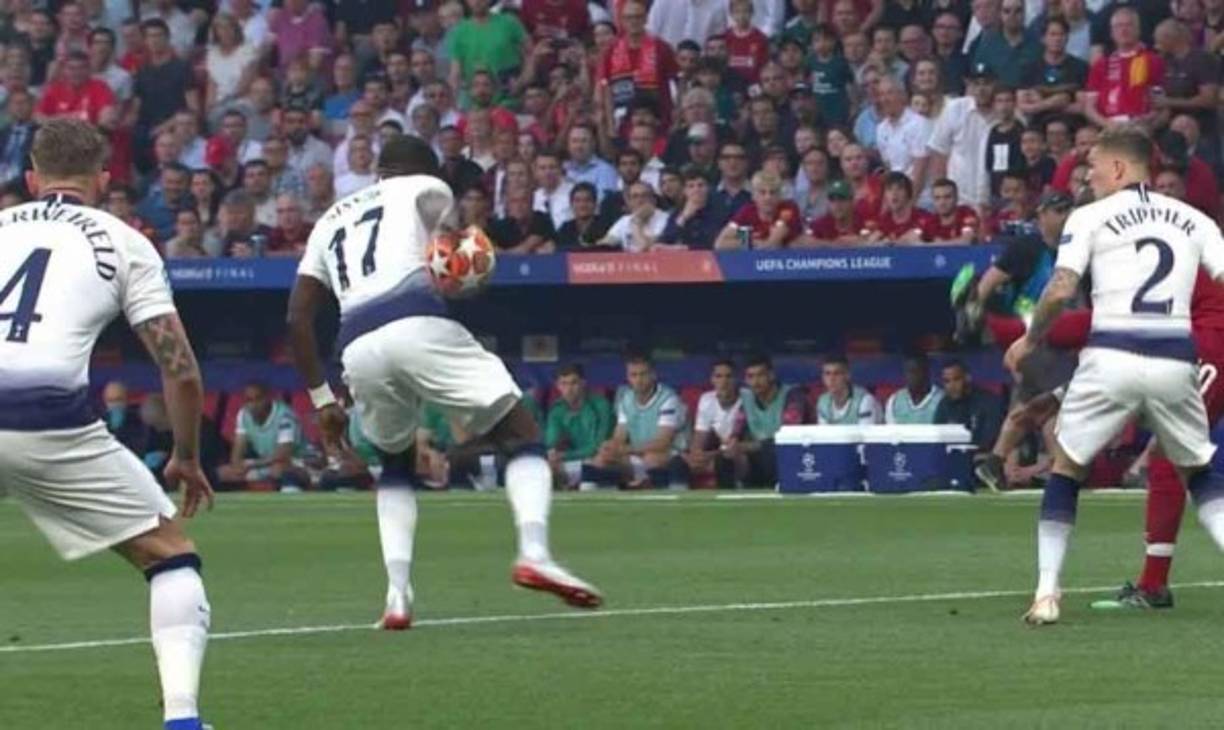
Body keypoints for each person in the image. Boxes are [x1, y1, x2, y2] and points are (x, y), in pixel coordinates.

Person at [287, 135, 603, 629]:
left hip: (356, 345)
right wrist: (469, 272)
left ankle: (397, 594)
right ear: (421, 168)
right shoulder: (426, 187)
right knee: (520, 433)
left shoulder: (327, 221)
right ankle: (535, 552)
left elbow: (297, 317)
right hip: (415, 320)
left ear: (378, 173)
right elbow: (456, 252)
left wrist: (323, 398)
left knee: (395, 462)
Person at [0, 119, 213, 729]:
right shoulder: (125, 241)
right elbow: (182, 370)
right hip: (47, 418)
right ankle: (182, 719)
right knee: (169, 555)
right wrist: (187, 456)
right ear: (102, 178)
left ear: (33, 177)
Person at [1003, 126, 1224, 626]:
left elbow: (1061, 289)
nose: (1089, 177)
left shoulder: (1090, 216)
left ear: (1121, 168)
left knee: (1066, 467)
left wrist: (1031, 339)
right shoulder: (1195, 220)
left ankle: (1046, 594)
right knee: (1201, 476)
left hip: (1111, 356)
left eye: (1096, 167)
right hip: (1174, 360)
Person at [585, 354, 689, 489]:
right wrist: (610, 447)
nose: (639, 380)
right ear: (628, 377)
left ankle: (652, 488)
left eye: (643, 374)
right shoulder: (626, 399)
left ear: (653, 375)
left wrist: (626, 449)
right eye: (633, 375)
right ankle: (599, 498)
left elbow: (663, 442)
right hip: (638, 454)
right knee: (601, 458)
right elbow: (619, 435)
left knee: (651, 458)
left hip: (671, 455)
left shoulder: (668, 398)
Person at [216, 382, 311, 489]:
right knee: (223, 472)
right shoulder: (243, 414)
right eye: (249, 400)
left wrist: (250, 465)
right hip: (265, 464)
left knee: (278, 469)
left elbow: (282, 454)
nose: (254, 405)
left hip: (299, 462)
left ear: (268, 399)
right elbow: (238, 448)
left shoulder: (285, 416)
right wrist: (237, 465)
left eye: (258, 399)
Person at [736, 354, 810, 487]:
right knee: (727, 457)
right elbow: (736, 430)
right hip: (759, 456)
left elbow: (789, 435)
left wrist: (754, 446)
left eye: (760, 375)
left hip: (793, 453)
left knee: (770, 452)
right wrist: (731, 444)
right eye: (750, 377)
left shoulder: (793, 396)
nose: (756, 382)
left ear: (771, 375)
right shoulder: (746, 401)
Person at [544, 364, 614, 489]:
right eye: (564, 384)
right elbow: (550, 443)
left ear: (583, 383)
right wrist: (553, 453)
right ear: (558, 386)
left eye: (573, 383)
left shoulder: (600, 405)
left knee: (595, 463)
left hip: (599, 461)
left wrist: (564, 455)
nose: (569, 389)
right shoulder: (557, 410)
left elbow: (597, 446)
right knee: (547, 468)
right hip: (574, 462)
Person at [685, 359, 746, 488]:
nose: (724, 382)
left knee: (726, 460)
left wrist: (710, 455)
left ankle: (737, 491)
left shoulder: (747, 398)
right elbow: (699, 437)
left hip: (741, 452)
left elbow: (737, 443)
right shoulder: (707, 399)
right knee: (680, 462)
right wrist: (697, 454)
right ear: (712, 379)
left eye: (728, 376)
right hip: (718, 453)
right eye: (719, 376)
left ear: (736, 379)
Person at [714, 171, 803, 249]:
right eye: (762, 192)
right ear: (754, 196)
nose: (768, 197)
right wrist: (751, 241)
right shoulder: (747, 211)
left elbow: (772, 243)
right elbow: (720, 244)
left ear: (780, 195)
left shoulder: (788, 208)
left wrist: (750, 240)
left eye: (772, 192)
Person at [934, 360, 1004, 455]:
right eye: (947, 381)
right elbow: (937, 435)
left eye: (956, 379)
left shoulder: (988, 401)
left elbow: (990, 439)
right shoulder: (944, 403)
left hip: (981, 457)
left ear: (967, 378)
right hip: (950, 457)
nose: (952, 386)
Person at [816, 355, 883, 424]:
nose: (831, 379)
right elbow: (824, 433)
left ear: (847, 375)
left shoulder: (864, 401)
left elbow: (865, 434)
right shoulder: (823, 402)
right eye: (827, 374)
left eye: (837, 373)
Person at [885, 352, 944, 424]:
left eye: (915, 371)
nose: (911, 376)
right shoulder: (895, 400)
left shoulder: (942, 400)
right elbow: (891, 432)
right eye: (908, 371)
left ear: (926, 372)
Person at [923, 178, 980, 244]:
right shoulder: (930, 220)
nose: (942, 202)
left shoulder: (966, 213)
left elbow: (966, 241)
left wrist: (938, 244)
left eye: (947, 197)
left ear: (956, 198)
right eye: (937, 198)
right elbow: (912, 240)